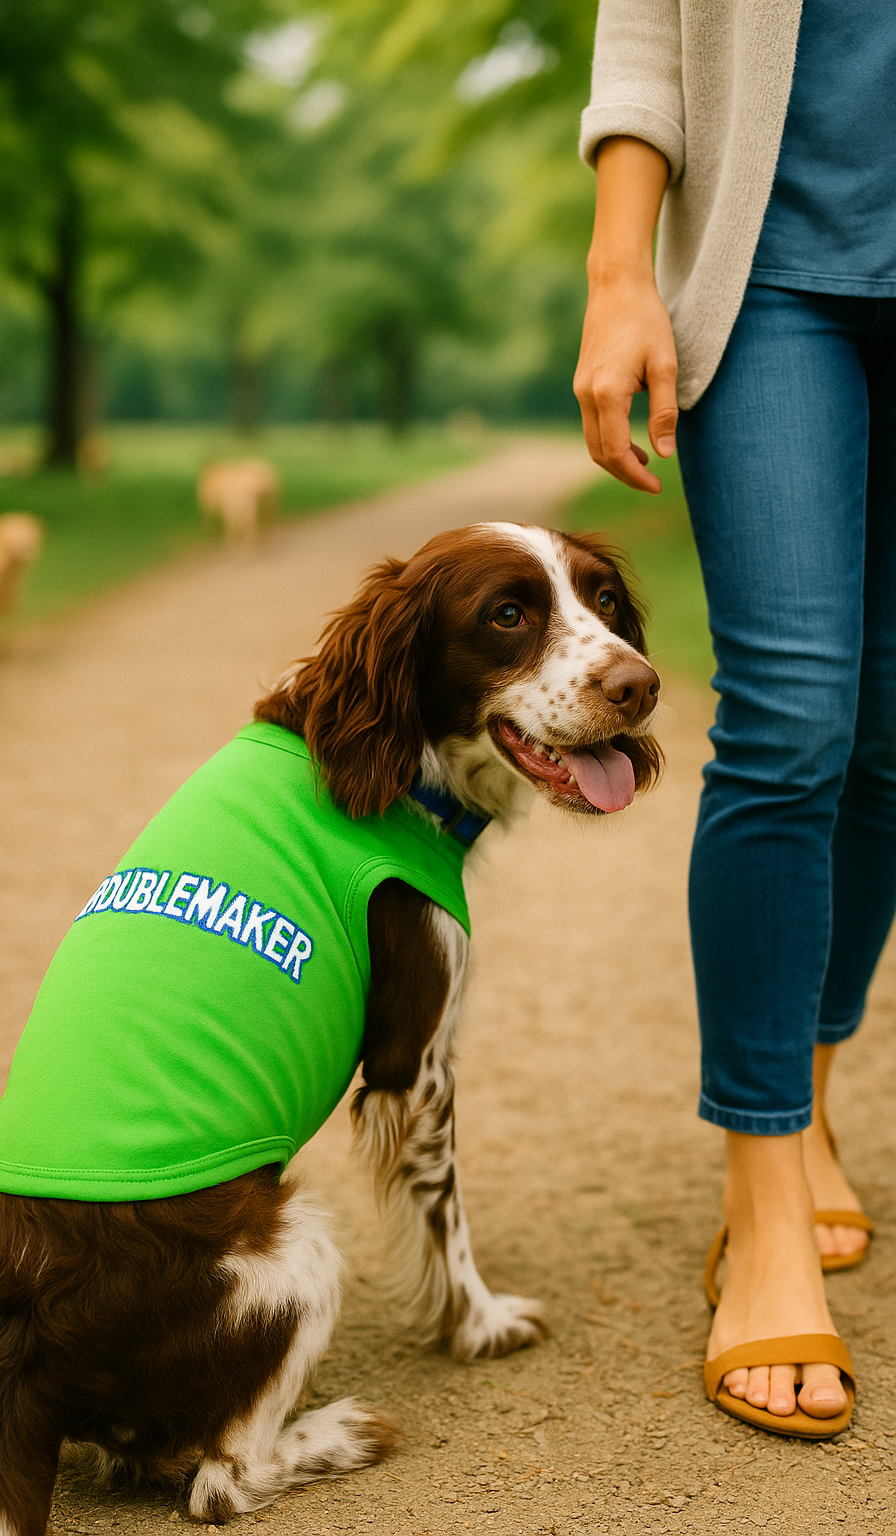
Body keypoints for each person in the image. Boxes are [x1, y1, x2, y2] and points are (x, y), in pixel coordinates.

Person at [573, 0, 895, 1437]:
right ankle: (761, 1195)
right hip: (770, 272)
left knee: (889, 734)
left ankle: (810, 1092)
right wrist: (617, 269)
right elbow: (649, 23)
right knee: (791, 719)